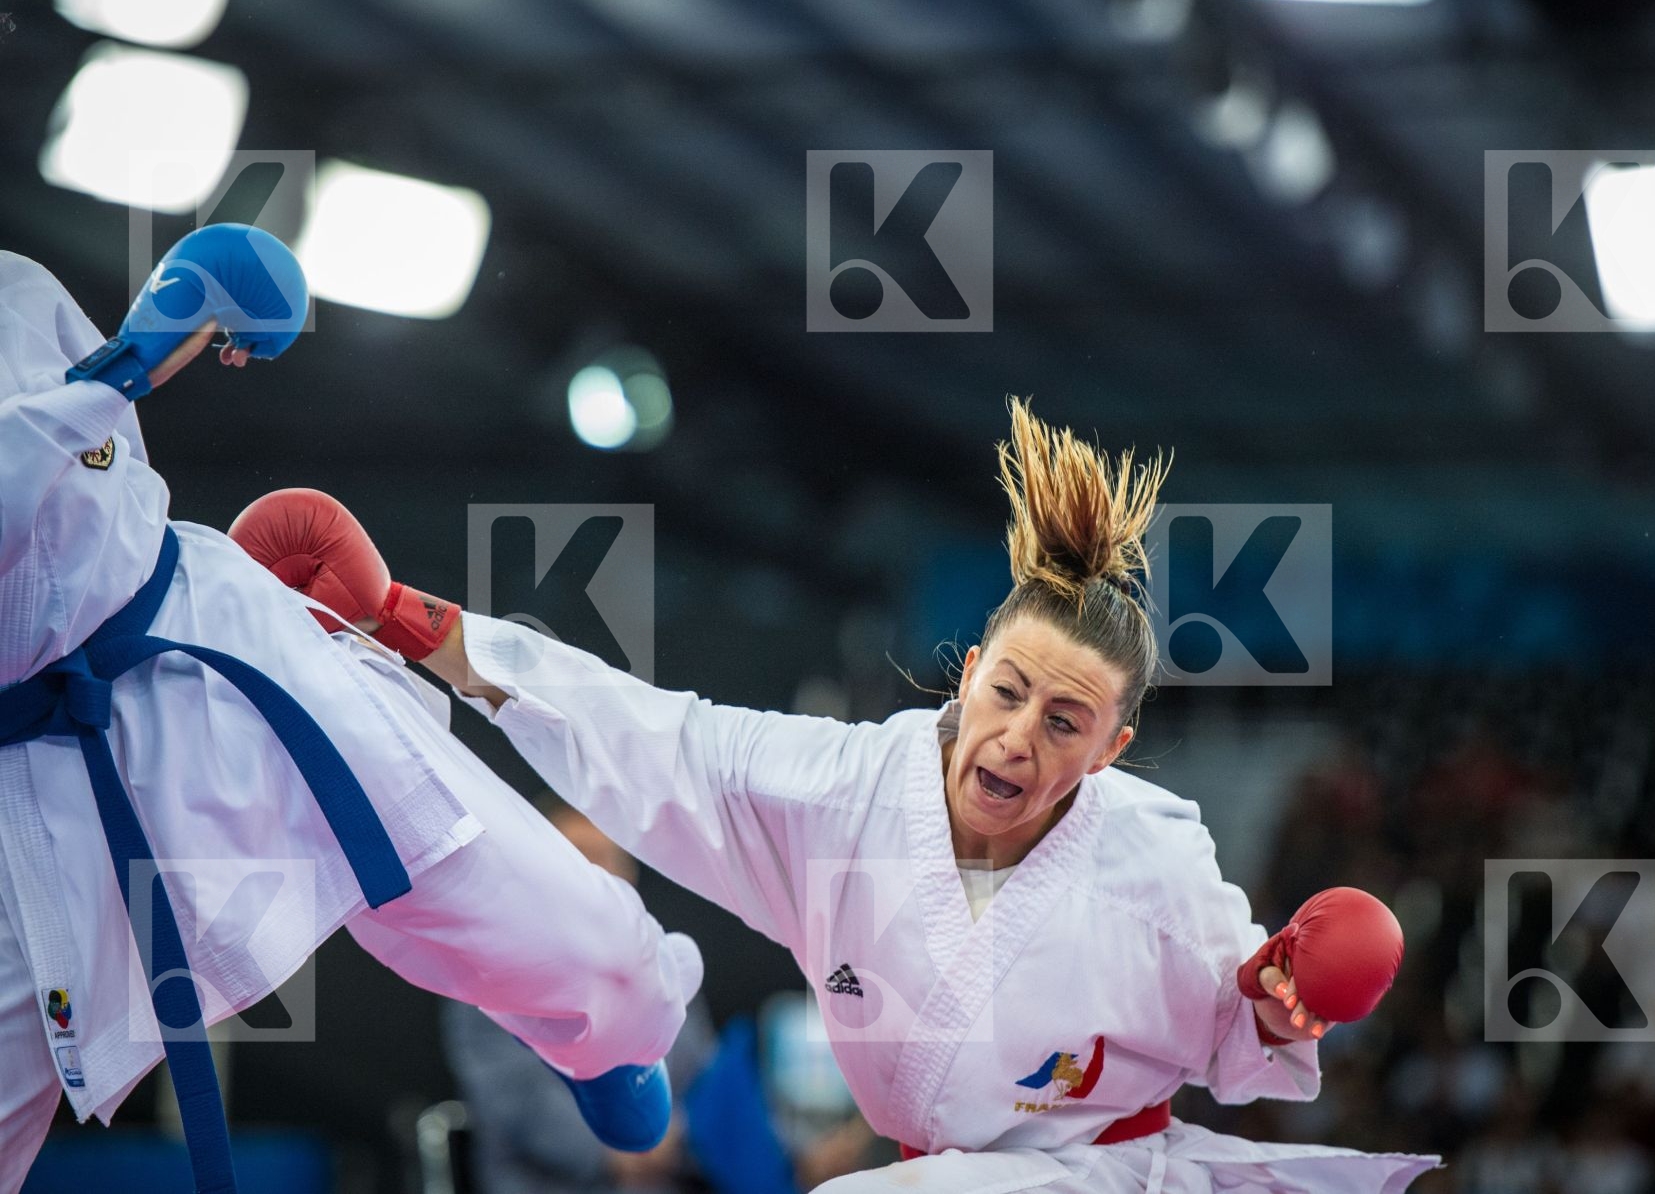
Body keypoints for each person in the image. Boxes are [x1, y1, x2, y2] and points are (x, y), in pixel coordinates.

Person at [236, 399, 1442, 1193]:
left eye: (1064, 721)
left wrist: (1281, 1007)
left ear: (1110, 749)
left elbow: (1232, 1038)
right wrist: (408, 621)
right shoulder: (838, 792)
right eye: (1011, 692)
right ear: (969, 677)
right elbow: (646, 735)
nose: (1020, 737)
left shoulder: (1158, 868)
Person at [0, 230, 699, 1194]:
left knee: (506, 886)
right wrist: (127, 361)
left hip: (208, 640)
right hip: (33, 777)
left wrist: (135, 357)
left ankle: (620, 1030)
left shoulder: (16, 286)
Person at [440, 792, 716, 1194]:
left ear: (630, 874)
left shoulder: (667, 967)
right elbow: (516, 1101)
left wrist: (678, 1140)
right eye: (577, 857)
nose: (593, 874)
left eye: (603, 859)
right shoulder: (491, 972)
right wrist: (619, 1150)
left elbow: (702, 1079)